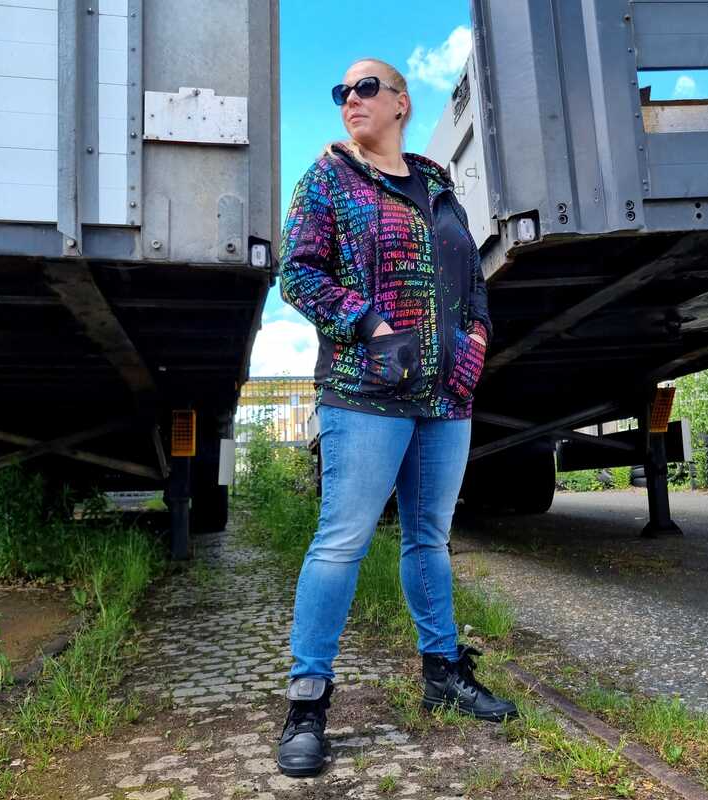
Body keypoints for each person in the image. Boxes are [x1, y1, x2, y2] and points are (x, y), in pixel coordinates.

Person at [275, 57, 517, 778]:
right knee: (341, 543)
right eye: (341, 91)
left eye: (365, 87)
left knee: (429, 540)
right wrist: (369, 323)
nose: (350, 99)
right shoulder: (328, 177)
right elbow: (297, 273)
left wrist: (475, 342)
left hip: (445, 400)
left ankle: (443, 674)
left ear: (401, 102)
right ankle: (307, 702)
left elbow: (471, 278)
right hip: (365, 391)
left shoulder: (438, 184)